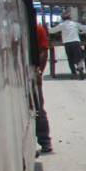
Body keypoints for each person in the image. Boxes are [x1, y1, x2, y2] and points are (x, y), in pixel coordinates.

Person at [48, 11, 86, 79]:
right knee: (79, 56)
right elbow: (84, 28)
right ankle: (80, 68)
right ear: (70, 18)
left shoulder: (61, 25)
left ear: (62, 19)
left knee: (70, 58)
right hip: (76, 42)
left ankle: (74, 73)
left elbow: (52, 31)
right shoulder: (74, 24)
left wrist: (47, 29)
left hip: (67, 43)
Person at [34, 21, 52, 153]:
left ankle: (45, 141)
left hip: (33, 74)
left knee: (39, 108)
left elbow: (44, 52)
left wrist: (39, 71)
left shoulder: (38, 29)